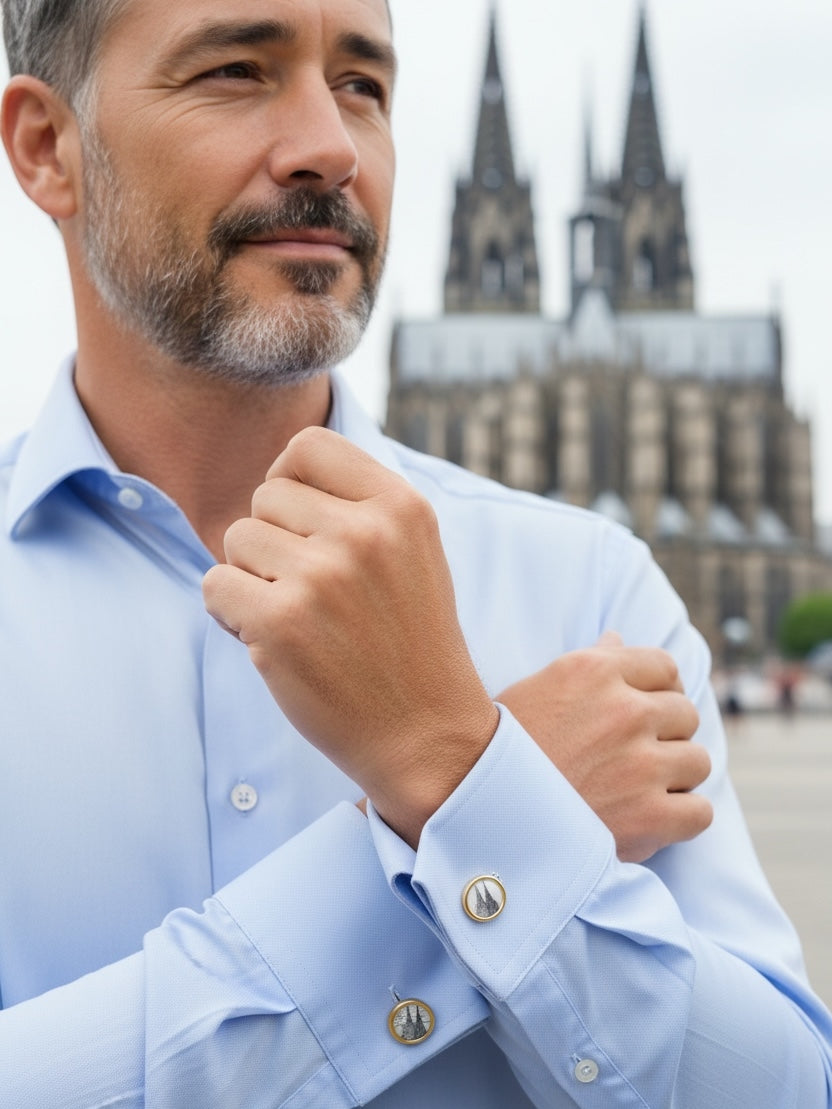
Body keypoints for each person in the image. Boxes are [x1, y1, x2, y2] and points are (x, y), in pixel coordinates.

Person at [0, 0, 830, 1104]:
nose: (332, 147)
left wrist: (450, 778)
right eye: (238, 69)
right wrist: (482, 798)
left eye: (364, 85)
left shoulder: (594, 586)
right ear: (48, 148)